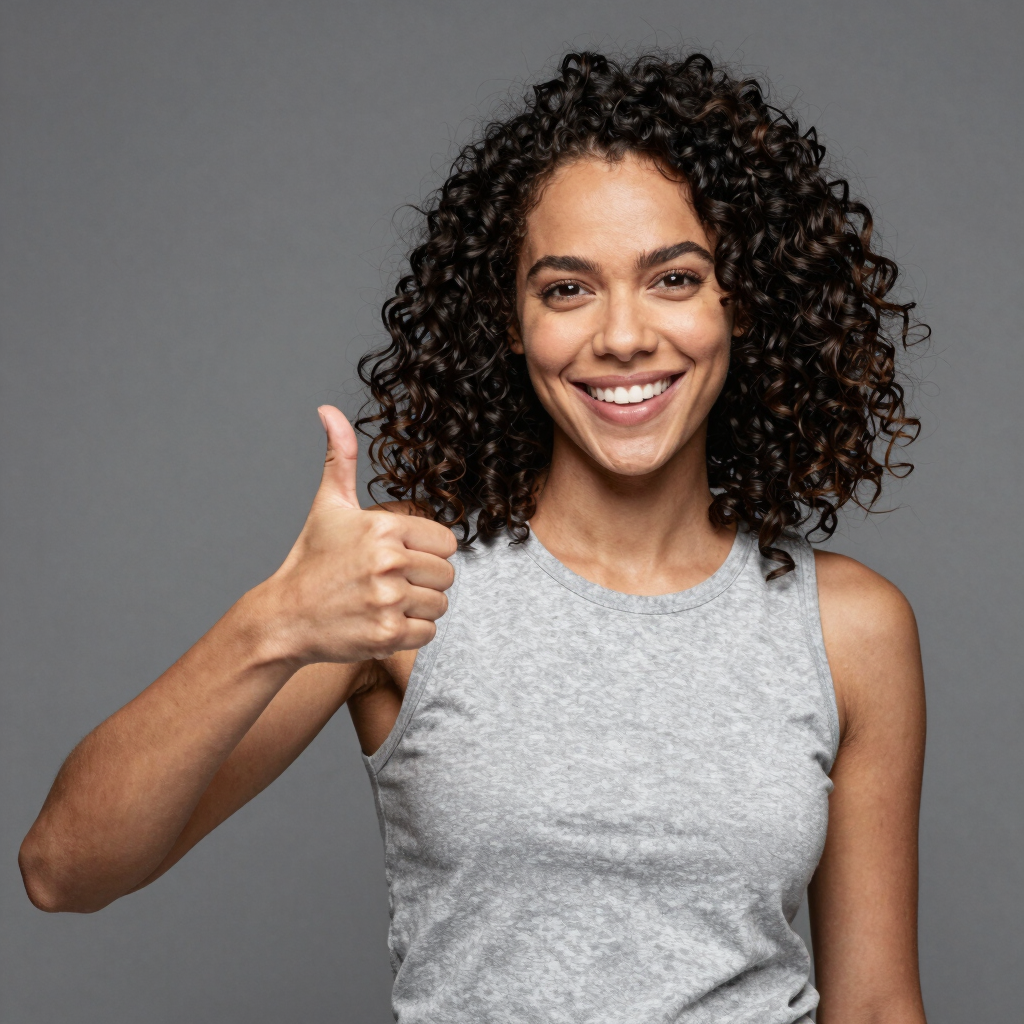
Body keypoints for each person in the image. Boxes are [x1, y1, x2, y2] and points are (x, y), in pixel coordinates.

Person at [19, 52, 928, 1023]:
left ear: (738, 304)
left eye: (673, 277)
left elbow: (873, 1002)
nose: (622, 336)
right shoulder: (404, 585)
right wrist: (274, 621)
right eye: (566, 289)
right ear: (509, 320)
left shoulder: (845, 627)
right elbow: (65, 867)